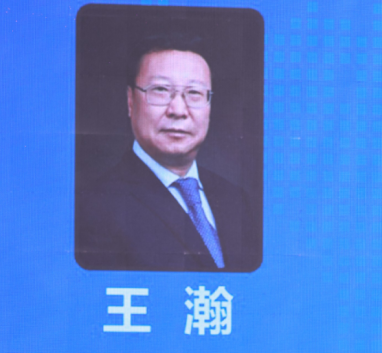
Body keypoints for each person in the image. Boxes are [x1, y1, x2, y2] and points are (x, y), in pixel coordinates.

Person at [75, 33, 261, 273]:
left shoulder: (236, 199)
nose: (178, 110)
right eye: (161, 90)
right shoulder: (95, 208)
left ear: (209, 104)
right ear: (130, 101)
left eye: (194, 93)